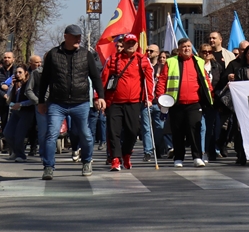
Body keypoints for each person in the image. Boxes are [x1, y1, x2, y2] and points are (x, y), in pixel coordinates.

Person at [38, 25, 105, 180]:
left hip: (80, 102)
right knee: (51, 134)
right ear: (66, 36)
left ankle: (87, 161)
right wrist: (41, 101)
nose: (78, 39)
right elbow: (45, 79)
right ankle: (48, 167)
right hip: (57, 103)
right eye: (74, 36)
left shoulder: (86, 54)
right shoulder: (53, 54)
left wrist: (100, 96)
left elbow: (95, 77)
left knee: (85, 134)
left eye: (79, 36)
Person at [154, 38, 213, 168]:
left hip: (194, 103)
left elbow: (206, 81)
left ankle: (197, 157)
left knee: (195, 129)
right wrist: (160, 98)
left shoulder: (199, 61)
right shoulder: (171, 62)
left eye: (189, 46)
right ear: (179, 48)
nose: (187, 49)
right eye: (184, 46)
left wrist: (210, 95)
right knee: (177, 132)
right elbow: (162, 81)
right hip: (176, 103)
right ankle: (178, 158)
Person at [101, 34, 153, 171]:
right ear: (123, 44)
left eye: (133, 43)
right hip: (114, 102)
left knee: (133, 131)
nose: (130, 45)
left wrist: (149, 98)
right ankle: (115, 159)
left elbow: (149, 80)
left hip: (134, 102)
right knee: (114, 132)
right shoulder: (113, 59)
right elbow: (103, 79)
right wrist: (99, 97)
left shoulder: (142, 60)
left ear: (137, 45)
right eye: (128, 42)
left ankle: (126, 154)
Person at [3, 65, 37, 162]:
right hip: (16, 111)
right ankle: (15, 151)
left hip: (27, 112)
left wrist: (21, 104)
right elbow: (8, 98)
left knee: (19, 134)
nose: (17, 74)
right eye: (16, 73)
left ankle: (21, 155)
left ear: (26, 73)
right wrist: (11, 86)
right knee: (7, 133)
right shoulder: (16, 84)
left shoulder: (29, 83)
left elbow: (33, 100)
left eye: (20, 72)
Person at [199, 43, 224, 162]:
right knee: (202, 128)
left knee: (211, 129)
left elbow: (220, 83)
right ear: (200, 53)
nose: (207, 54)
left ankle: (208, 150)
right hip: (199, 101)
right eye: (204, 52)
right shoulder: (197, 65)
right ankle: (202, 152)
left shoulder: (216, 66)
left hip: (213, 102)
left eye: (209, 51)